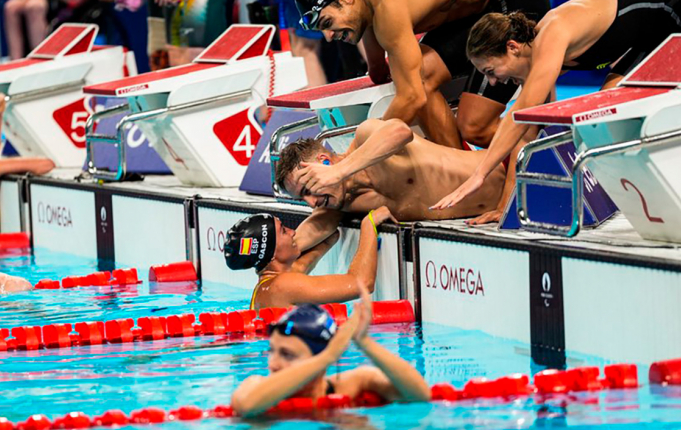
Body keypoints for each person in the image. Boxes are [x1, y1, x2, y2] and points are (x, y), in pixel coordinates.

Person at [431, 0, 681, 223]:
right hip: (650, 37)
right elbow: (528, 134)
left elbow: (523, 111)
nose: (491, 82)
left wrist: (479, 175)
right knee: (610, 109)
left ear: (512, 47)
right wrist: (506, 209)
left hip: (680, 6)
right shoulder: (539, 59)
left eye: (490, 71)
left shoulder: (552, 35)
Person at [294, 0, 549, 149]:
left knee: (474, 127)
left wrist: (354, 155)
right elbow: (379, 72)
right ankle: (461, 169)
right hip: (474, 15)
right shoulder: (367, 15)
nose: (328, 37)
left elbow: (411, 98)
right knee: (421, 75)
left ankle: (547, 150)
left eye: (328, 24)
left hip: (511, 6)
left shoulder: (387, 12)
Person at [274, 118, 507, 250]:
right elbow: (296, 243)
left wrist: (339, 171)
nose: (312, 203)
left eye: (308, 189)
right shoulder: (342, 203)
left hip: (511, 174)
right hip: (501, 215)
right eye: (302, 199)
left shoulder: (367, 138)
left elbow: (400, 131)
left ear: (324, 162)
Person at [230, 282, 430, 418]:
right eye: (272, 351)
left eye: (287, 354)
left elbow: (419, 396)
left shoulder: (353, 384)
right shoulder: (255, 386)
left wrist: (365, 343)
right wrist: (328, 356)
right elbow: (246, 405)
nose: (272, 363)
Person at [224, 206, 396, 310]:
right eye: (283, 230)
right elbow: (362, 283)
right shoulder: (282, 286)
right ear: (272, 254)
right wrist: (369, 224)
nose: (292, 232)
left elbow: (327, 240)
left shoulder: (267, 287)